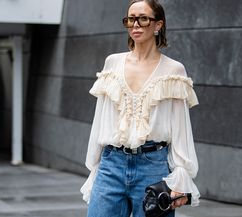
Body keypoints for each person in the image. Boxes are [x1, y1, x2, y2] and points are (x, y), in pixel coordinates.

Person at [80, 0, 200, 216]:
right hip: (111, 164)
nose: (135, 24)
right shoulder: (112, 63)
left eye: (143, 18)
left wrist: (181, 176)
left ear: (158, 25)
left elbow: (181, 126)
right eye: (130, 19)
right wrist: (95, 164)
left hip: (153, 166)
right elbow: (100, 118)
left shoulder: (174, 70)